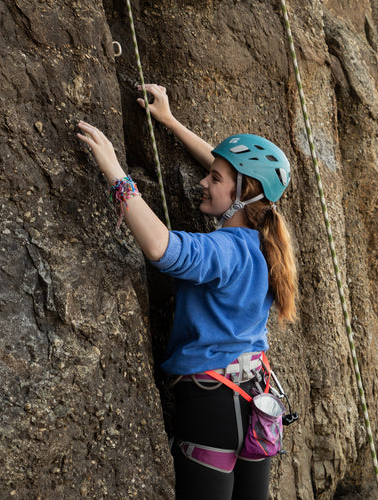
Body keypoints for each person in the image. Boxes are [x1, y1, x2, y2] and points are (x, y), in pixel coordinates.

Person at [76, 83, 297, 499]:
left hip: (212, 405)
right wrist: (171, 122)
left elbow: (161, 247)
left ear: (242, 194)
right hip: (257, 398)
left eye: (213, 179)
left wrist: (115, 173)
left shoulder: (222, 251)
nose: (202, 181)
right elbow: (230, 173)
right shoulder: (264, 242)